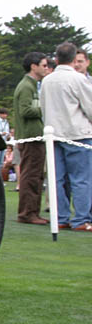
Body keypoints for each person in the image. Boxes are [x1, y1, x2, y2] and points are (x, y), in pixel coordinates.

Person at [40, 41, 92, 231]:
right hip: (77, 134)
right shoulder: (79, 79)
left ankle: (60, 217)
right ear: (72, 59)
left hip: (53, 133)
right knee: (81, 179)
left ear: (56, 59)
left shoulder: (47, 80)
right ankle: (81, 219)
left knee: (57, 179)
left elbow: (43, 108)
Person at [13, 52, 50, 224]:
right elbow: (25, 110)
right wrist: (47, 108)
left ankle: (32, 211)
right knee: (31, 176)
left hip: (35, 136)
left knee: (36, 175)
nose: (46, 68)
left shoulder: (32, 85)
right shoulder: (26, 86)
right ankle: (27, 213)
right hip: (30, 137)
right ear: (33, 66)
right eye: (43, 65)